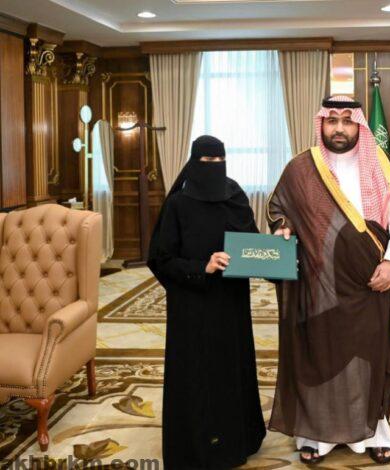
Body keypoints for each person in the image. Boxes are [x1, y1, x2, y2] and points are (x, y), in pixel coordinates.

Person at [267, 96, 390, 465]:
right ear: (322, 123)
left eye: (347, 120)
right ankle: (317, 435)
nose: (339, 128)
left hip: (371, 281)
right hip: (319, 282)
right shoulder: (301, 168)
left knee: (370, 356)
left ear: (358, 125)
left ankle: (375, 432)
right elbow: (280, 207)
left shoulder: (381, 164)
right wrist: (283, 227)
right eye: (332, 120)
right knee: (319, 354)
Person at [148, 135, 265, 469]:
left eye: (219, 161)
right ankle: (197, 446)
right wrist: (203, 266)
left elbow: (253, 244)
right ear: (193, 162)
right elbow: (161, 259)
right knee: (197, 375)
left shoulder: (235, 195)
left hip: (231, 303)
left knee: (232, 368)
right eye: (206, 161)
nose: (214, 167)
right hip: (192, 306)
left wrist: (279, 252)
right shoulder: (178, 204)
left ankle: (238, 440)